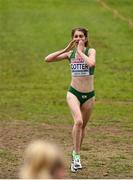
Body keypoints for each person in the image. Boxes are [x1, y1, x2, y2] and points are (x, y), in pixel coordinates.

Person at [44, 27, 96, 172]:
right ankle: (77, 156)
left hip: (89, 96)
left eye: (81, 36)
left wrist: (80, 51)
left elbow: (91, 64)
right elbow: (47, 59)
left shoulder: (90, 51)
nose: (78, 38)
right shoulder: (70, 54)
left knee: (82, 127)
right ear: (73, 38)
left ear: (85, 38)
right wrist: (67, 48)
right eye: (76, 36)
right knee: (78, 121)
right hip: (73, 93)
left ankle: (75, 153)